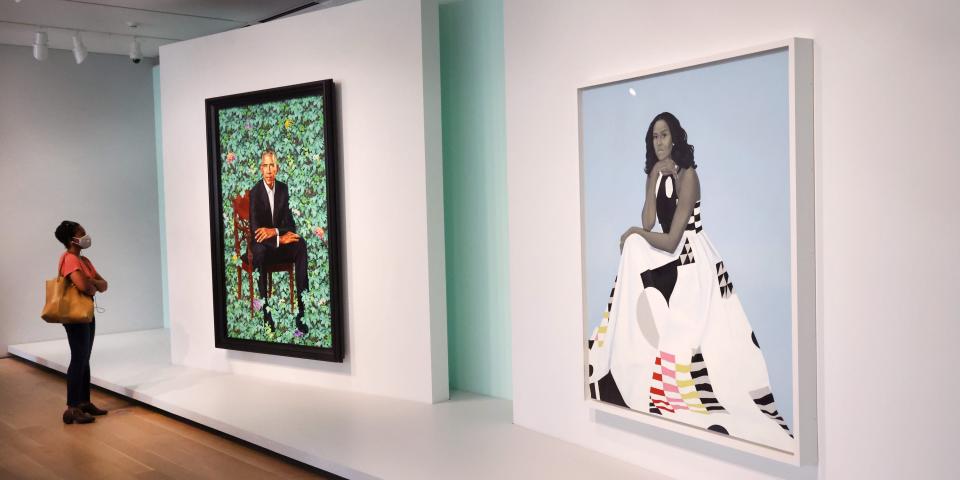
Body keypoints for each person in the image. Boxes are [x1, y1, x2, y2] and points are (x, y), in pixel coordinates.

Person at [587, 112, 793, 450]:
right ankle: (621, 341)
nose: (660, 142)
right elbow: (649, 221)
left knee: (637, 242)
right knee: (636, 245)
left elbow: (670, 240)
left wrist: (635, 233)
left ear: (676, 139)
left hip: (690, 257)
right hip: (671, 251)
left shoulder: (689, 176)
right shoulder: (657, 173)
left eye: (665, 135)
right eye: (654, 137)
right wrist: (652, 178)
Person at [248, 149, 310, 335]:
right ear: (261, 169)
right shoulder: (255, 192)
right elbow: (256, 232)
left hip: (277, 245)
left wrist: (275, 232)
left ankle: (301, 311)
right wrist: (279, 238)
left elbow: (290, 225)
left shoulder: (283, 189)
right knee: (259, 251)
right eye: (265, 166)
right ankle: (266, 314)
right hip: (262, 247)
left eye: (271, 166)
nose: (268, 170)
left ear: (277, 168)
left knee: (300, 244)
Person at [53, 220, 108, 424]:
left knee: (84, 357)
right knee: (79, 358)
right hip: (75, 316)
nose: (86, 235)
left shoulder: (84, 261)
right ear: (71, 239)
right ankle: (72, 407)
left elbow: (104, 285)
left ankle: (84, 402)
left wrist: (92, 284)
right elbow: (84, 286)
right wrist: (92, 284)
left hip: (86, 313)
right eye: (82, 232)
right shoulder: (70, 259)